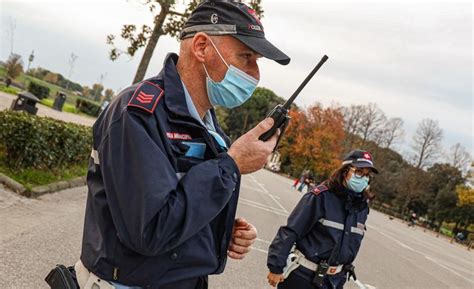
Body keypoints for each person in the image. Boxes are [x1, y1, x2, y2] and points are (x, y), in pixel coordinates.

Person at [75, 1, 290, 289]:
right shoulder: (137, 114)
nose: (255, 74)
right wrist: (231, 165)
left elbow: (178, 202)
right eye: (246, 56)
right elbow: (149, 230)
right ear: (201, 47)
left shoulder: (210, 129)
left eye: (257, 63)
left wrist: (220, 231)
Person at [267, 150, 379, 289]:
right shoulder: (320, 197)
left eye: (367, 175)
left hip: (335, 281)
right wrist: (276, 266)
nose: (363, 178)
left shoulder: (361, 207)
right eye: (359, 172)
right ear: (345, 171)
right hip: (303, 277)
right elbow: (291, 230)